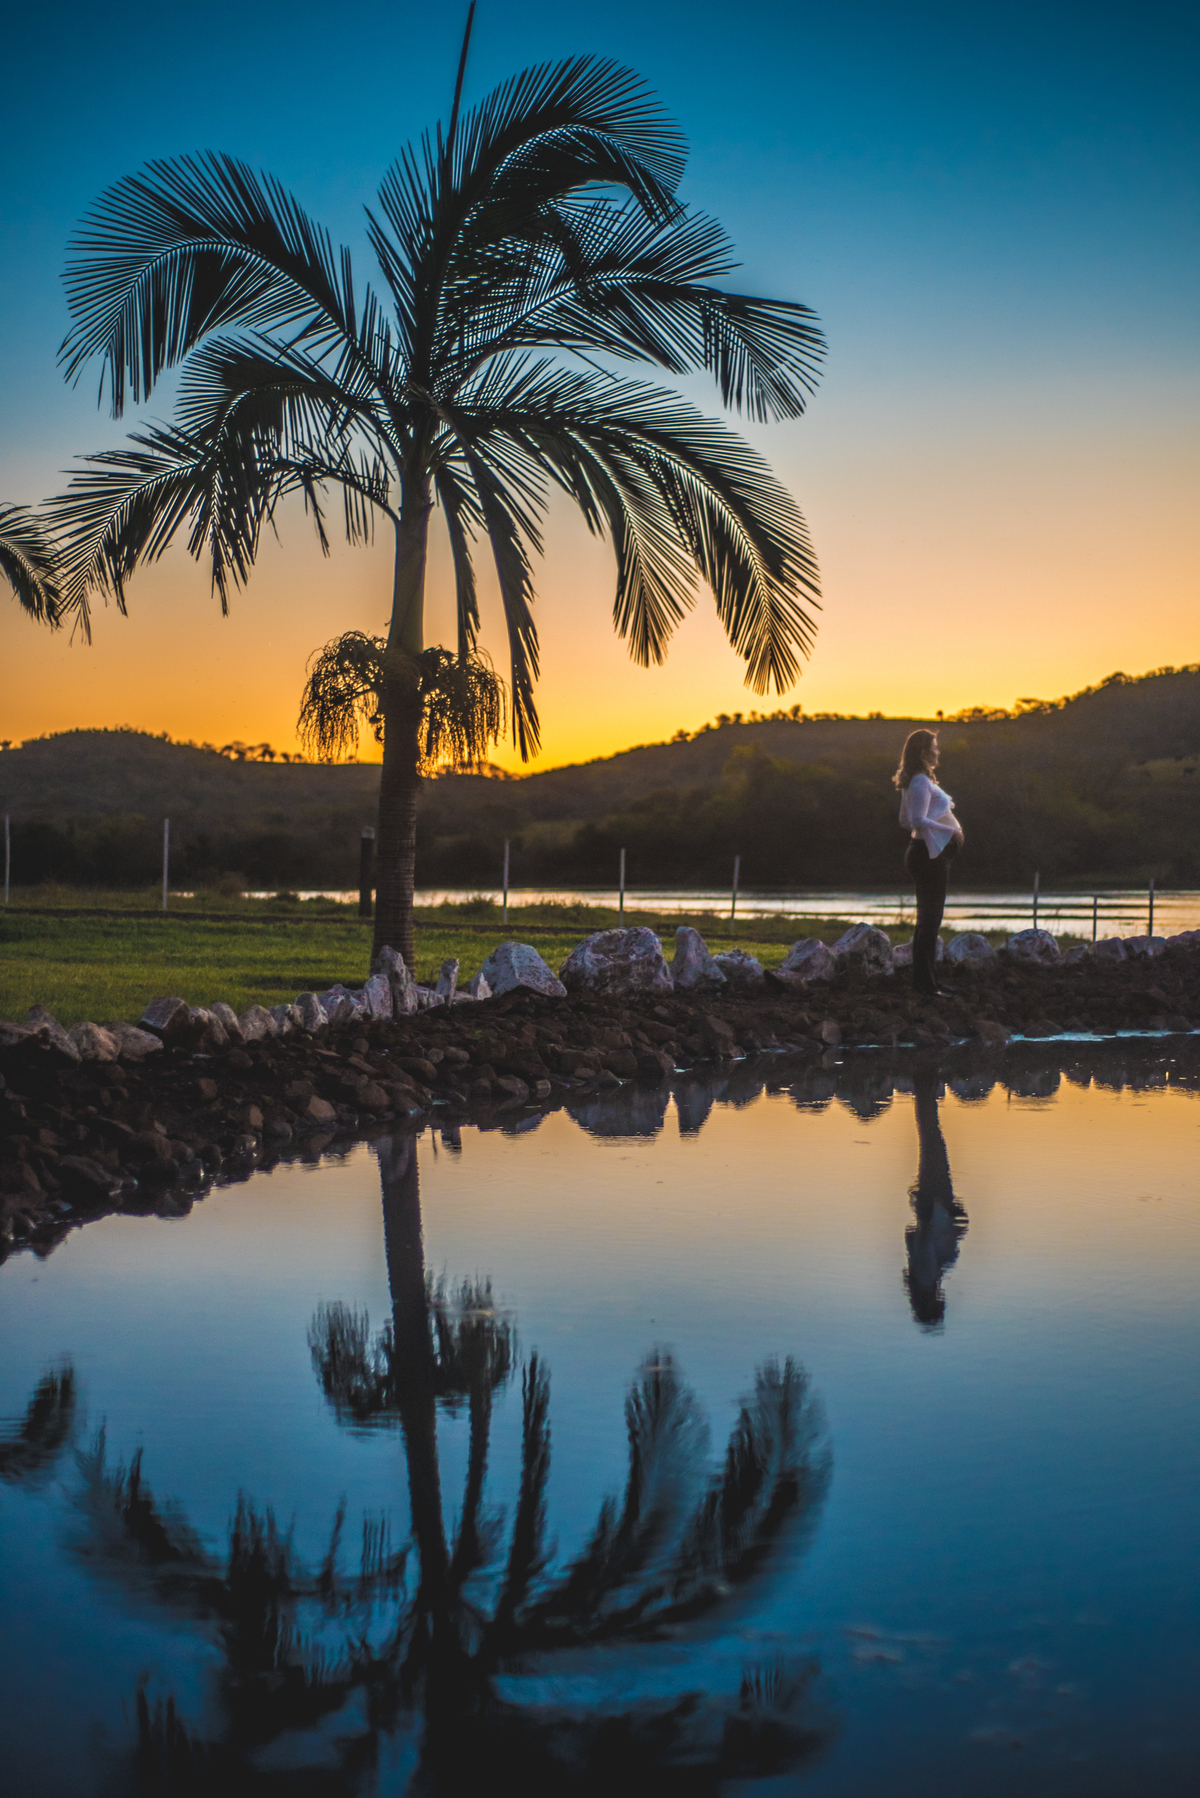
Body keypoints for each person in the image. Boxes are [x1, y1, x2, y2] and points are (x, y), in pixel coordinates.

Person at [894, 729, 963, 996]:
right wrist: (951, 832)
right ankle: (925, 984)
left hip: (925, 853)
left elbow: (904, 820)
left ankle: (929, 981)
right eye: (934, 747)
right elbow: (915, 822)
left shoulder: (916, 781)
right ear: (923, 753)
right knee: (930, 920)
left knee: (928, 920)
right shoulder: (921, 781)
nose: (938, 751)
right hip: (928, 855)